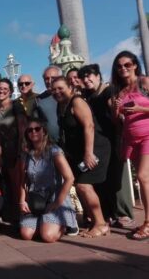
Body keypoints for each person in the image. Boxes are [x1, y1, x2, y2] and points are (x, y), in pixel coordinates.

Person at [53, 76, 110, 238]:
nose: (57, 92)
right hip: (78, 152)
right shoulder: (61, 105)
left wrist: (88, 153)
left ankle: (101, 223)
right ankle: (94, 221)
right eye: (53, 89)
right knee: (80, 186)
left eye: (60, 88)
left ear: (70, 86)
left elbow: (89, 125)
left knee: (84, 186)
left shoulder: (76, 101)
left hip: (95, 148)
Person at [79, 64, 135, 228]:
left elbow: (117, 117)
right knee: (103, 180)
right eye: (84, 77)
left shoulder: (109, 91)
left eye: (90, 76)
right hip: (99, 143)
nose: (86, 79)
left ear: (98, 75)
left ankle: (123, 213)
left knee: (117, 178)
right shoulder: (88, 95)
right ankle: (108, 214)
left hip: (113, 140)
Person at [110, 51, 149, 240]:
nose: (123, 68)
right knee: (145, 180)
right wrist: (116, 110)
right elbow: (117, 121)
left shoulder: (144, 82)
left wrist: (140, 108)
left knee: (142, 177)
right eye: (119, 66)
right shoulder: (120, 90)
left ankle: (148, 224)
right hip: (130, 139)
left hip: (148, 134)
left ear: (134, 64)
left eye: (127, 64)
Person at [18, 119, 77, 243]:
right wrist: (22, 201)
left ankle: (65, 223)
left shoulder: (54, 151)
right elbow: (23, 180)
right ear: (27, 134)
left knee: (47, 236)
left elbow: (70, 178)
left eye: (37, 129)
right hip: (36, 199)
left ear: (44, 131)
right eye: (30, 130)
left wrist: (57, 203)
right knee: (26, 234)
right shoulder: (26, 153)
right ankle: (43, 221)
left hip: (54, 197)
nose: (33, 132)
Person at [0, 79, 21, 221]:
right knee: (8, 183)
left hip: (17, 148)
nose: (1, 91)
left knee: (18, 183)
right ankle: (13, 216)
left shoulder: (16, 106)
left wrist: (22, 150)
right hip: (5, 150)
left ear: (10, 91)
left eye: (5, 88)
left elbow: (23, 128)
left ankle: (23, 215)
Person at [35, 66, 62, 142]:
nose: (49, 81)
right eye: (46, 78)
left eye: (53, 78)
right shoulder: (39, 99)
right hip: (52, 144)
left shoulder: (69, 95)